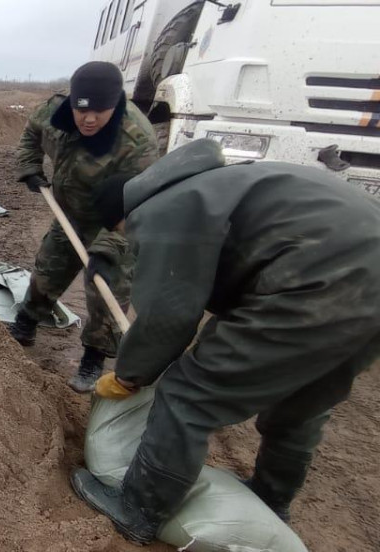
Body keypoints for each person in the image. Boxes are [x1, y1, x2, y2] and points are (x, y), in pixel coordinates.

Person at [71, 139, 380, 545]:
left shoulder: (167, 208)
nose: (130, 244)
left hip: (314, 285)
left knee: (188, 394)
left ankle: (139, 508)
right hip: (366, 287)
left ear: (123, 218)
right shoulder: (219, 183)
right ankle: (272, 499)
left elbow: (169, 316)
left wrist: (130, 375)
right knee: (303, 402)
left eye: (122, 235)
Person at [8, 61, 159, 393]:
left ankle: (94, 356)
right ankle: (26, 322)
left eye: (100, 111)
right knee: (48, 268)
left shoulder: (137, 141)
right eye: (81, 110)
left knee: (107, 289)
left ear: (115, 104)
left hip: (118, 221)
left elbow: (139, 204)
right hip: (69, 213)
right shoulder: (54, 113)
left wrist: (105, 251)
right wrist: (30, 168)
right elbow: (31, 135)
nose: (89, 119)